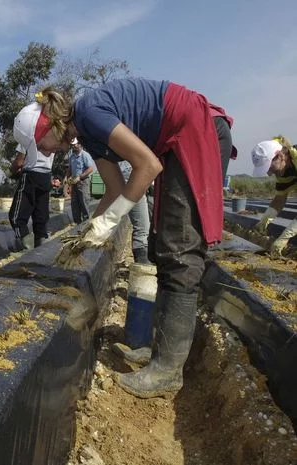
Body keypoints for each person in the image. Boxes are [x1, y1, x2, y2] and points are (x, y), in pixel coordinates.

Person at [12, 80, 235, 398]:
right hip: (178, 139)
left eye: (42, 144)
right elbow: (115, 190)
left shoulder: (89, 113)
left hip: (198, 131)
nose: (46, 152)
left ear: (51, 125)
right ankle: (160, 353)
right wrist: (90, 230)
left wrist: (112, 220)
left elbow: (148, 166)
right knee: (164, 247)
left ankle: (168, 370)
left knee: (180, 250)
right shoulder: (89, 135)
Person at [251, 136, 297, 256]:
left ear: (280, 156)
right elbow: (280, 198)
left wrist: (284, 237)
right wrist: (264, 220)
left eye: (270, 167)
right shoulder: (283, 170)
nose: (269, 172)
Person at [8, 137, 56, 249]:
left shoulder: (28, 135)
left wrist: (11, 170)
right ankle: (40, 248)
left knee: (16, 216)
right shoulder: (53, 137)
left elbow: (19, 162)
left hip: (31, 175)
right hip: (45, 176)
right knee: (41, 215)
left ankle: (28, 248)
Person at [119, 160, 151, 263]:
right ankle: (142, 266)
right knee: (142, 228)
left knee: (149, 226)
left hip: (145, 182)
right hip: (134, 182)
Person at [65, 139, 95, 224]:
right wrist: (66, 178)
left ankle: (86, 222)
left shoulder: (85, 155)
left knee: (84, 201)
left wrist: (80, 177)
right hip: (74, 182)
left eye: (75, 144)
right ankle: (77, 222)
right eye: (72, 145)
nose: (73, 146)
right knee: (74, 203)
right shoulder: (72, 156)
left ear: (80, 144)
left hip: (83, 182)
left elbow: (90, 168)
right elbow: (70, 169)